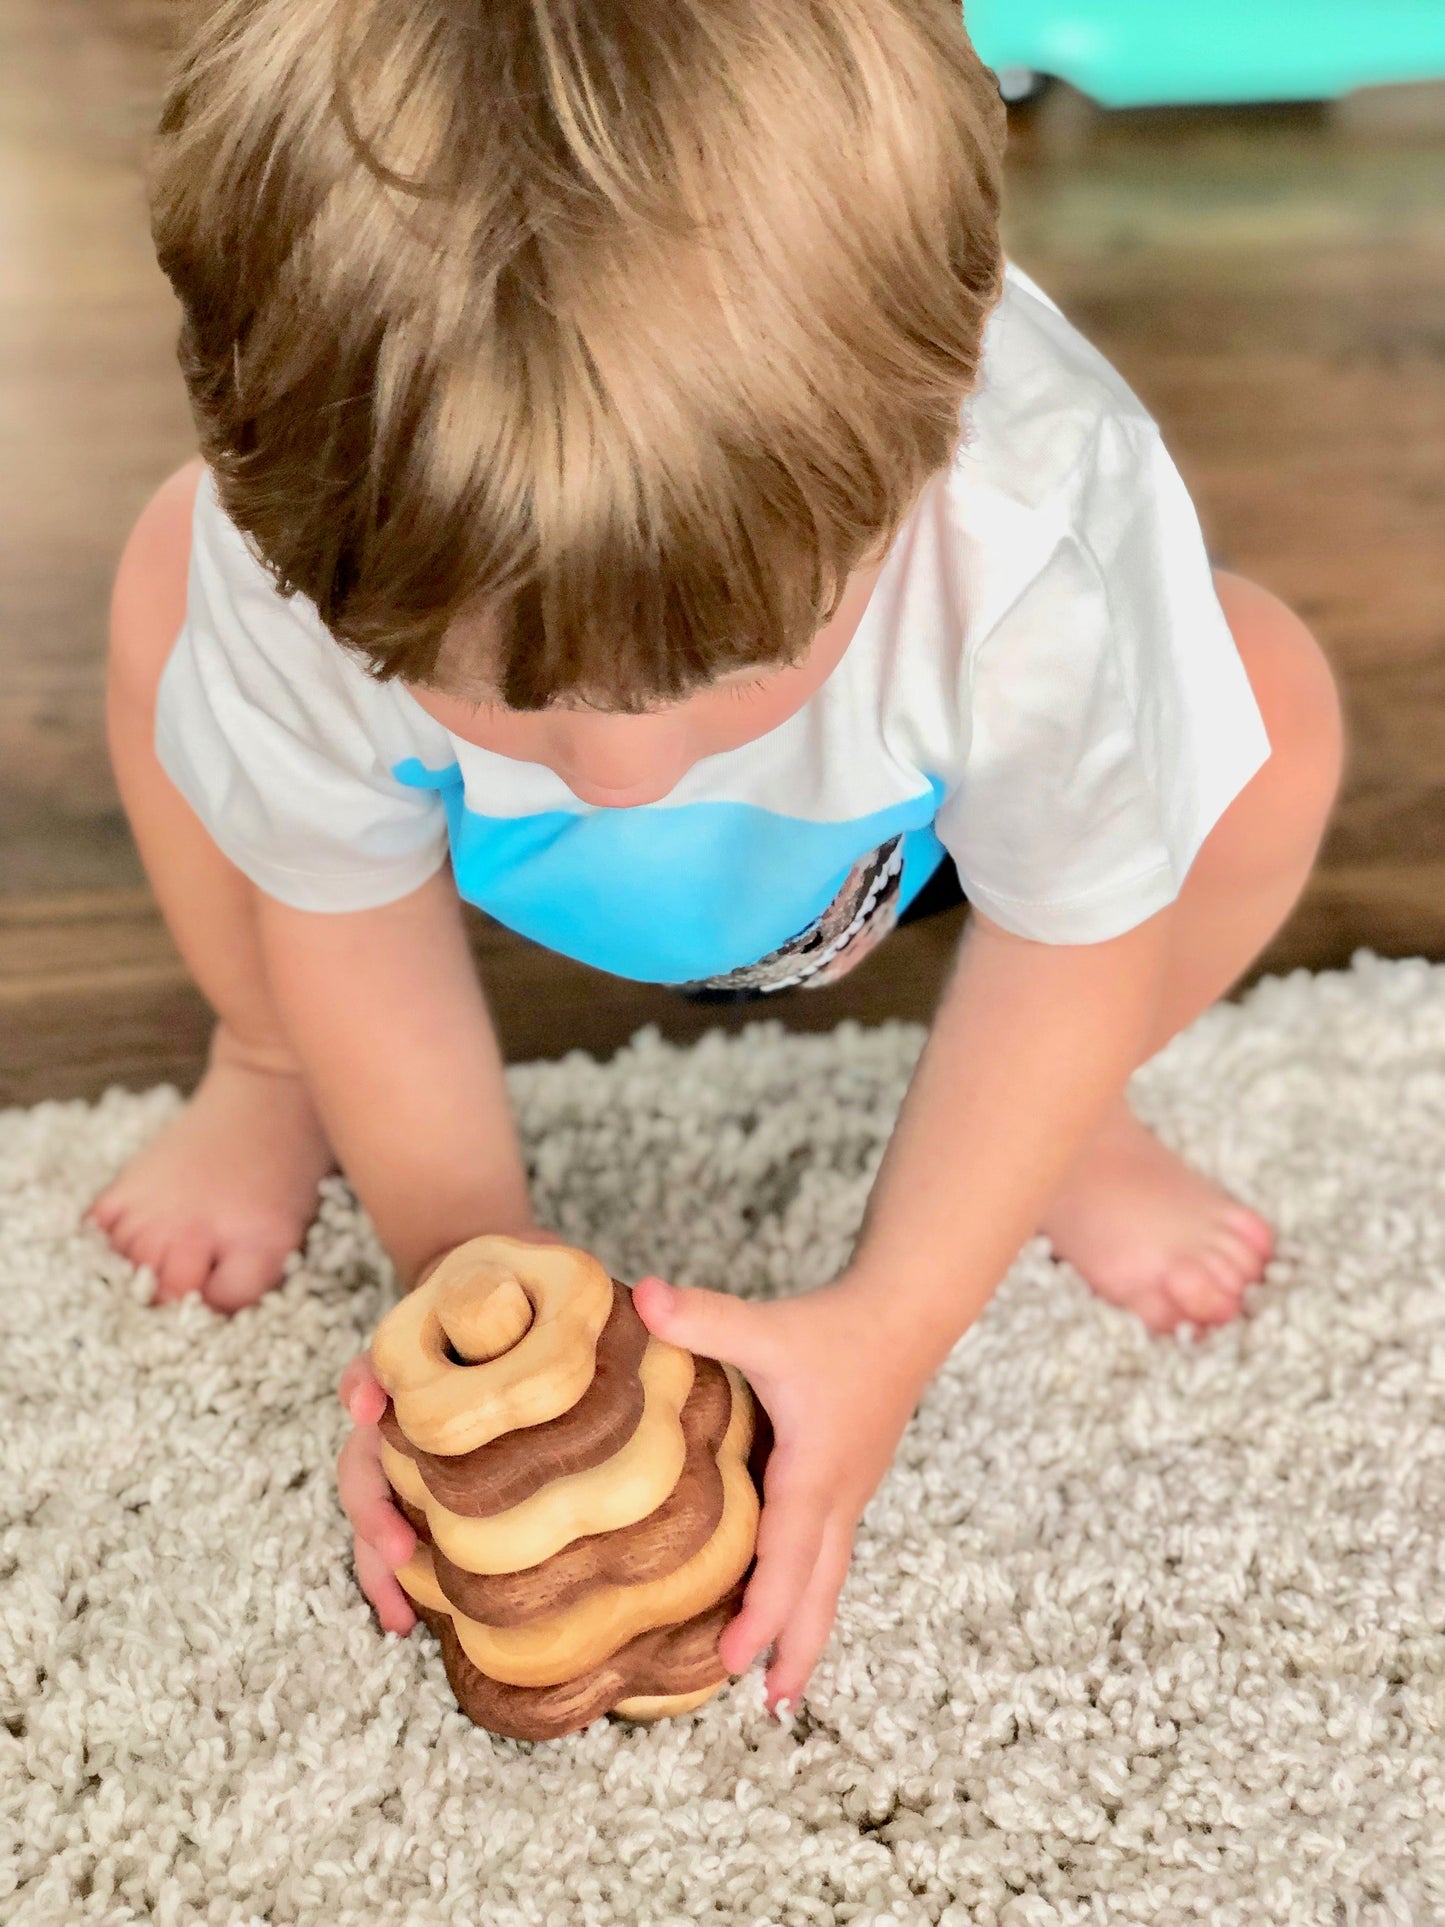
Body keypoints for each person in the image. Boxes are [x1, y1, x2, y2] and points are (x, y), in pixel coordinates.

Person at [91, 0, 1344, 1716]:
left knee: (1270, 715)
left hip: (913, 843)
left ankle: (1073, 1113)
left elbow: (1077, 920)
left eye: (720, 670)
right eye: (496, 691)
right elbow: (346, 896)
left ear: (923, 442)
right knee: (159, 590)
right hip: (461, 849)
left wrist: (894, 1323)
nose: (621, 771)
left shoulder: (1035, 521)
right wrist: (463, 1280)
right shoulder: (291, 525)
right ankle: (261, 1060)